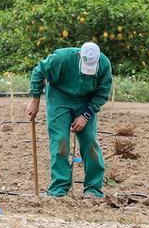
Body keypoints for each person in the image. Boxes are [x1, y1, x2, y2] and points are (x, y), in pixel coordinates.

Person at [26, 41, 113, 198]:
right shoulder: (61, 58)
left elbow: (102, 93)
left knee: (90, 143)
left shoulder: (104, 65)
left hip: (86, 101)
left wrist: (86, 115)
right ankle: (59, 188)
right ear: (79, 56)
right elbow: (39, 71)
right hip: (59, 97)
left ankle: (93, 189)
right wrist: (35, 98)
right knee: (60, 141)